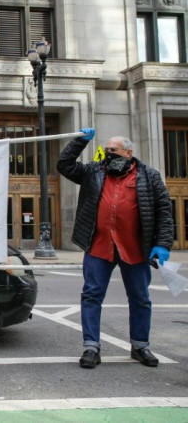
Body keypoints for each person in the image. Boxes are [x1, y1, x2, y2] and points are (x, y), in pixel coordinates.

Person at [57, 129, 173, 369]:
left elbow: (163, 210)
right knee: (91, 295)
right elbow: (64, 165)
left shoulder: (149, 176)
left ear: (129, 153)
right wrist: (80, 141)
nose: (108, 154)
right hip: (99, 246)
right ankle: (91, 347)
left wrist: (162, 243)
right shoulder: (93, 172)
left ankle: (140, 346)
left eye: (114, 150)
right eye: (106, 150)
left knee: (140, 298)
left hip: (135, 249)